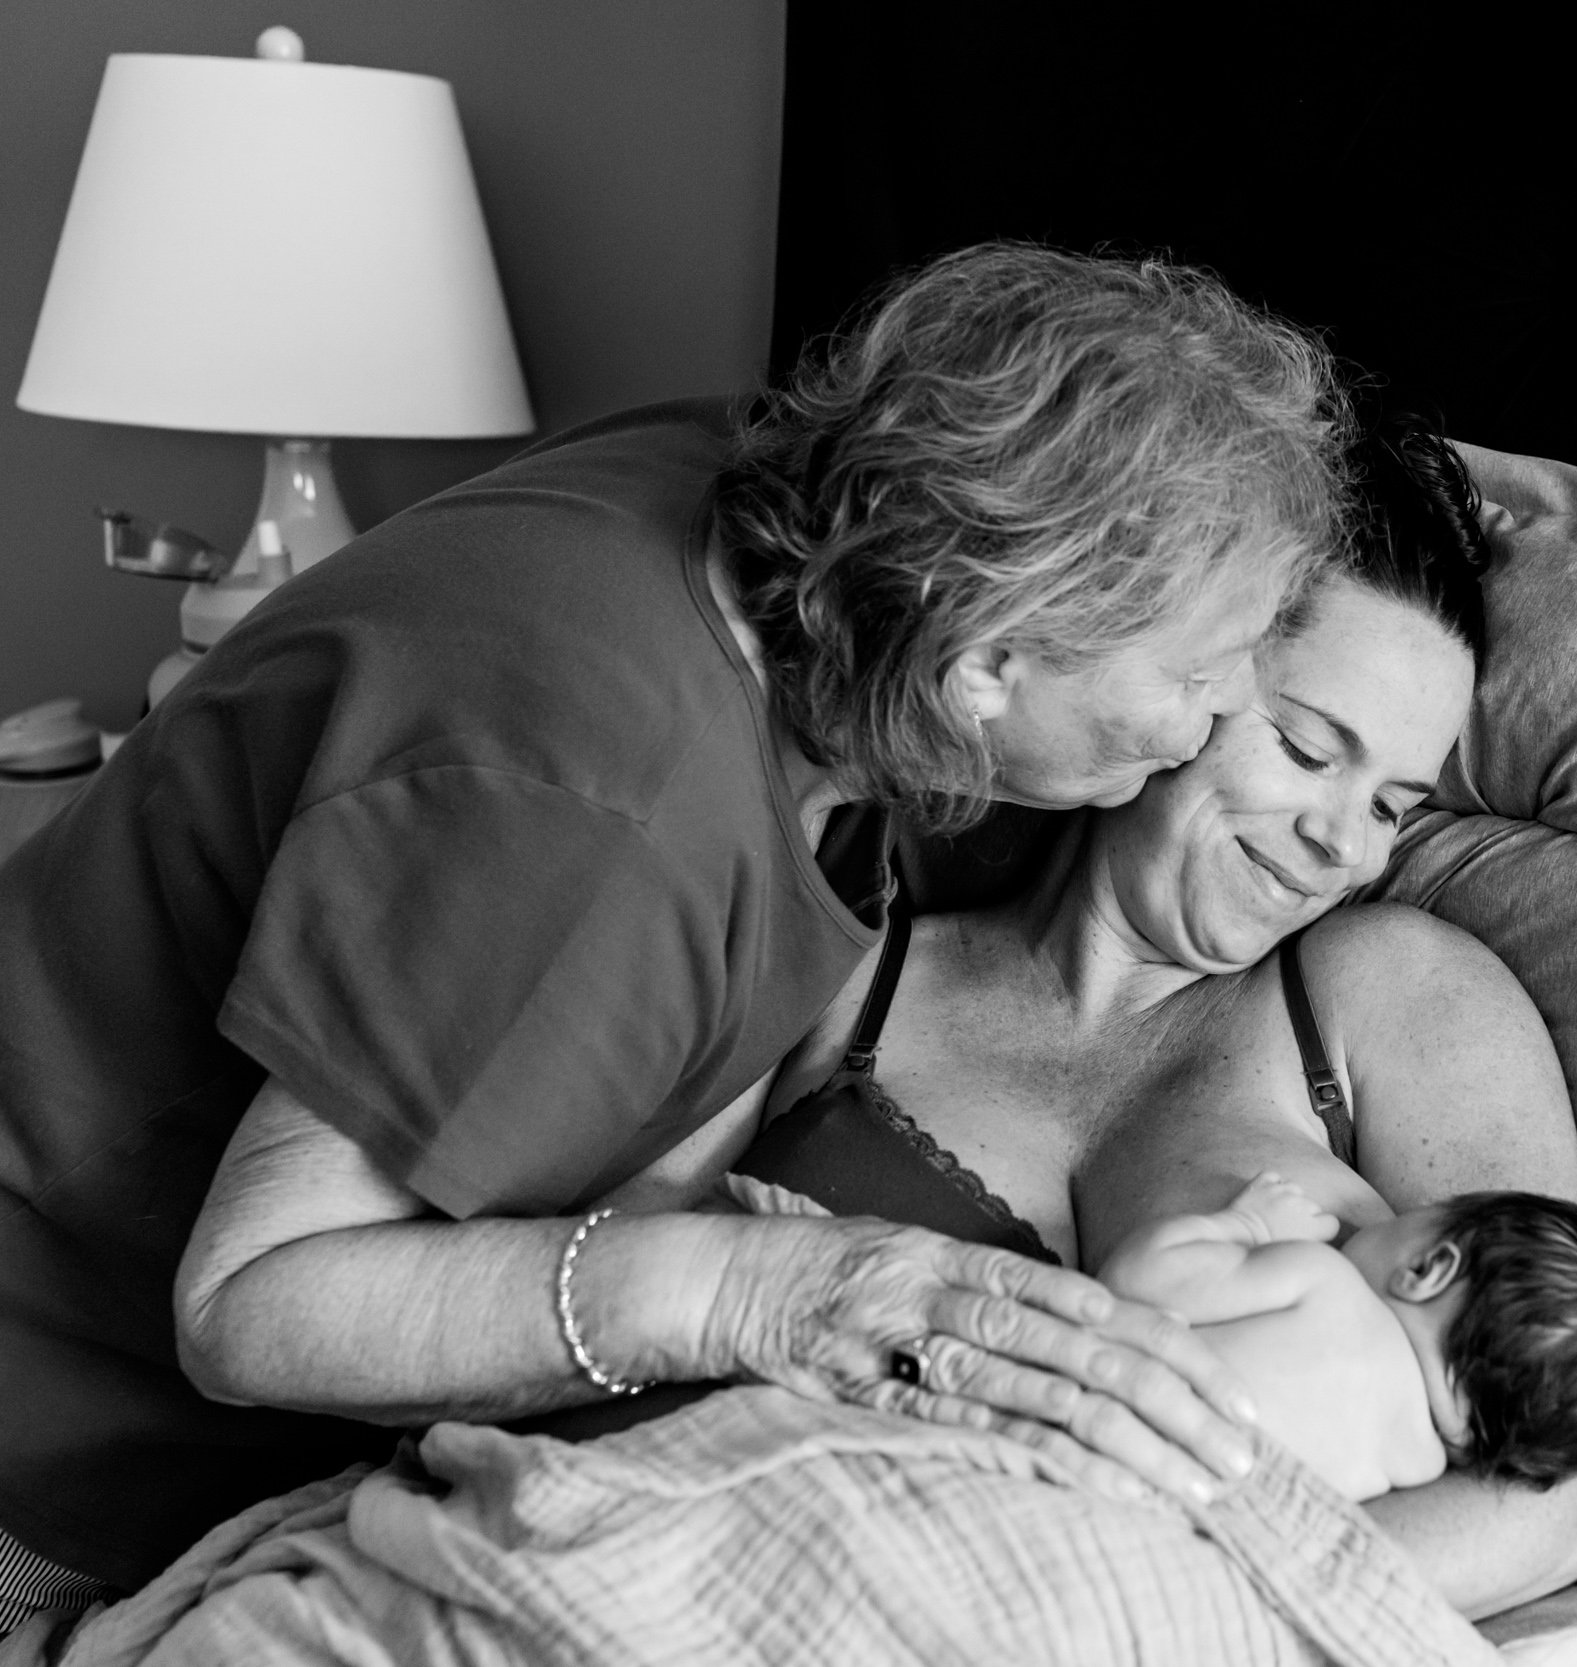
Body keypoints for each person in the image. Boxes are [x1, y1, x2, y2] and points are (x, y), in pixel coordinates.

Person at [0, 242, 1341, 1627]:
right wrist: (759, 1289)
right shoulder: (599, 804)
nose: (1228, 712)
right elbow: (254, 1304)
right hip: (46, 1446)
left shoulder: (787, 512)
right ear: (985, 661)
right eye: (1196, 671)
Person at [679, 414, 1577, 1614]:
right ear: (1175, 680)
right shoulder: (851, 959)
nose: (1342, 841)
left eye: (1393, 803)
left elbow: (1566, 1488)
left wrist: (1118, 1620)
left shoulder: (1394, 993)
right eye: (1303, 748)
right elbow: (635, 1268)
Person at [1097, 1171, 1577, 1505]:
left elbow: (1132, 1283)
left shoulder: (1322, 1282)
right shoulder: (1411, 1468)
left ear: (1427, 1271)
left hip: (1089, 1452)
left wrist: (1250, 1227)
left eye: (1420, 1211)